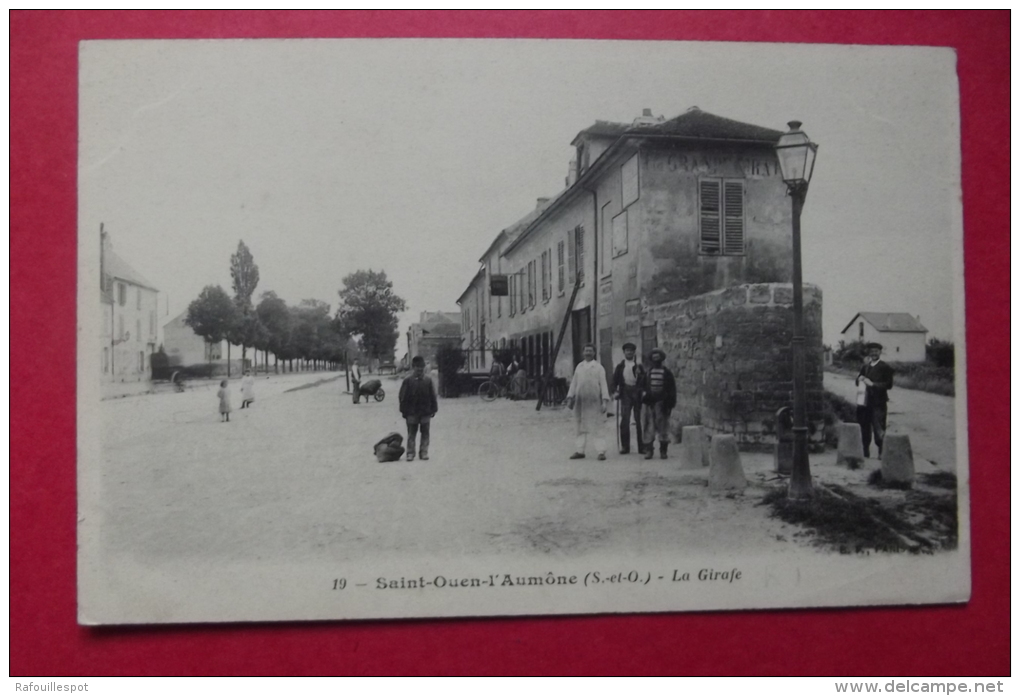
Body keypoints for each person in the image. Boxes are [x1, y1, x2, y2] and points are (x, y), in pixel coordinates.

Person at [566, 343, 611, 460]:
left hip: (594, 401)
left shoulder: (599, 367)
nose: (588, 353)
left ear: (594, 353)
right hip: (580, 402)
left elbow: (604, 385)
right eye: (586, 351)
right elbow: (574, 383)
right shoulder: (579, 367)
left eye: (590, 351)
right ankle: (580, 451)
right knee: (579, 426)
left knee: (597, 427)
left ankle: (601, 452)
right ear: (583, 352)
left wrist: (605, 402)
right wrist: (570, 396)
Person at [856, 342, 894, 458]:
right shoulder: (865, 367)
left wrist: (873, 384)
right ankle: (865, 453)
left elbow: (889, 384)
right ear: (869, 353)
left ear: (880, 352)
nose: (874, 353)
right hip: (864, 403)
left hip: (879, 403)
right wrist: (859, 378)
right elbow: (857, 382)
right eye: (872, 351)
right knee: (864, 428)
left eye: (876, 351)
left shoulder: (885, 367)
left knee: (879, 429)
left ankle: (881, 454)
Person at [399, 355, 439, 462]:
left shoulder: (428, 380)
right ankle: (410, 453)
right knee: (412, 433)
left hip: (425, 411)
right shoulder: (407, 381)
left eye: (421, 367)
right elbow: (402, 397)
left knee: (425, 432)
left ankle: (424, 452)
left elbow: (432, 395)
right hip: (411, 412)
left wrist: (434, 408)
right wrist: (403, 411)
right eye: (417, 367)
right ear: (413, 367)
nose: (420, 369)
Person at [640, 348, 677, 460]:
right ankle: (649, 450)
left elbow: (672, 389)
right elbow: (642, 388)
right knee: (648, 427)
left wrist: (670, 403)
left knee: (663, 427)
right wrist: (644, 396)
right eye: (654, 358)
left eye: (658, 358)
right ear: (651, 360)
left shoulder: (667, 373)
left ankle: (663, 450)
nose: (656, 360)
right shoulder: (648, 373)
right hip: (650, 403)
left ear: (661, 359)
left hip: (662, 403)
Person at [612, 342, 645, 455]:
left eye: (631, 350)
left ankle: (642, 447)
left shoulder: (639, 366)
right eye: (627, 350)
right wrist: (616, 392)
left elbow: (644, 381)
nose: (629, 352)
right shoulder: (620, 366)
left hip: (637, 393)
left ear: (634, 352)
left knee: (639, 421)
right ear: (624, 352)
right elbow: (614, 381)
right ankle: (625, 447)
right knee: (625, 420)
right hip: (625, 393)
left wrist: (643, 391)